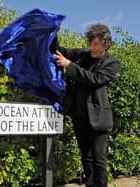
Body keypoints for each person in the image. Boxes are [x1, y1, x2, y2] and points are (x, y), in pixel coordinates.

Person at [52, 23, 120, 187]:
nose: (91, 47)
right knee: (86, 157)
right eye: (90, 43)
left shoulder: (112, 63)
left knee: (98, 159)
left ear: (106, 44)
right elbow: (58, 51)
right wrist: (53, 32)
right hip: (80, 117)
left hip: (99, 120)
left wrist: (69, 65)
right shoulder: (83, 55)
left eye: (95, 44)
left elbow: (94, 80)